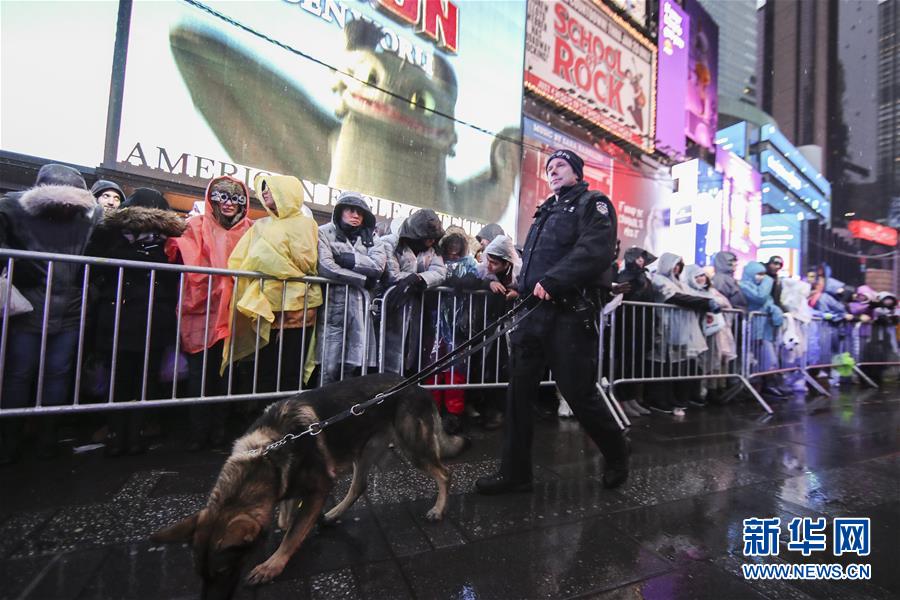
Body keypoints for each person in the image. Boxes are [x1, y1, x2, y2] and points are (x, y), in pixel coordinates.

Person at [475, 149, 629, 495]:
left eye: (560, 166)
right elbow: (532, 261)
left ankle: (617, 451)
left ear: (576, 172)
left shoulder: (594, 204)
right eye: (549, 168)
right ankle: (515, 473)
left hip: (569, 315)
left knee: (578, 394)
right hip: (533, 314)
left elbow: (595, 250)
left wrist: (555, 280)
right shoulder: (546, 210)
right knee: (518, 394)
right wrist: (522, 286)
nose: (553, 172)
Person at [0, 164, 103, 462]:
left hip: (58, 306)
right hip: (37, 306)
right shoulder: (89, 215)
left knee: (31, 374)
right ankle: (26, 438)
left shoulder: (12, 207)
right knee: (34, 373)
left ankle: (25, 439)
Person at [86, 188, 185, 456]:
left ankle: (131, 432)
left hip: (146, 315)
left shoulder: (171, 240)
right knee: (125, 377)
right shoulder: (113, 235)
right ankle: (121, 432)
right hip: (122, 314)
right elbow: (95, 265)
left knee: (141, 377)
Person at [165, 175, 252, 451]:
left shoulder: (249, 230)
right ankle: (198, 432)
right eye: (221, 196)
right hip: (201, 312)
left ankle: (219, 431)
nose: (228, 203)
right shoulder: (195, 225)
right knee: (200, 374)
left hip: (234, 315)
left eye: (235, 197)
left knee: (226, 376)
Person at [224, 175, 323, 392]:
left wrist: (271, 264)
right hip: (266, 303)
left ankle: (288, 417)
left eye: (271, 188)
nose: (265, 192)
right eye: (264, 189)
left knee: (291, 364)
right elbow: (242, 259)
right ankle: (262, 413)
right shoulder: (260, 226)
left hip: (300, 306)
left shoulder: (307, 225)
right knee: (264, 363)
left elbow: (305, 261)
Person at [315, 191, 386, 384]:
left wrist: (351, 260)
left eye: (360, 212)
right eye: (351, 210)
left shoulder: (371, 237)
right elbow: (326, 266)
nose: (356, 215)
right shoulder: (323, 232)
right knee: (328, 366)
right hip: (333, 309)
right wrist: (362, 279)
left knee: (353, 365)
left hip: (360, 310)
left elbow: (379, 266)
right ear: (340, 211)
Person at [379, 208, 447, 374]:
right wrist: (414, 278)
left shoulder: (431, 250)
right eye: (427, 236)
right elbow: (391, 274)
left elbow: (440, 272)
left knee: (412, 354)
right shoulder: (389, 243)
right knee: (386, 354)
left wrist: (417, 279)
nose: (431, 240)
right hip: (391, 306)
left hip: (416, 309)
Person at [645, 253, 715, 413]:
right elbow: (675, 298)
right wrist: (706, 303)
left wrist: (707, 301)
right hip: (664, 327)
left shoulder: (679, 282)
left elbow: (690, 295)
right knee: (661, 364)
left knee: (674, 365)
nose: (677, 268)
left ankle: (670, 397)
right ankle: (658, 398)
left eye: (679, 265)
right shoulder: (659, 280)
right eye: (675, 264)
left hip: (679, 329)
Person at [613, 247, 657, 417]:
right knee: (626, 363)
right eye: (638, 258)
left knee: (636, 364)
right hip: (627, 326)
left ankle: (632, 399)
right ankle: (624, 400)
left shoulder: (644, 276)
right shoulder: (626, 276)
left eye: (643, 258)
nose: (641, 261)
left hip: (641, 325)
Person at [684, 264, 737, 404]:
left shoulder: (713, 292)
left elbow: (725, 304)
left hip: (716, 332)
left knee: (716, 361)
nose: (701, 279)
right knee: (702, 362)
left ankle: (713, 390)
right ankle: (702, 391)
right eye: (697, 276)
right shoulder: (690, 292)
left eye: (702, 275)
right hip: (700, 333)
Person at [740, 261, 786, 397]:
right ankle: (754, 389)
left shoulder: (760, 287)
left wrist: (775, 310)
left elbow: (769, 302)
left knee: (768, 360)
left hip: (765, 330)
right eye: (759, 274)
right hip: (753, 330)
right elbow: (760, 298)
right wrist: (768, 281)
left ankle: (766, 386)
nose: (762, 277)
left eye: (763, 274)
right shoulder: (744, 285)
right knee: (755, 361)